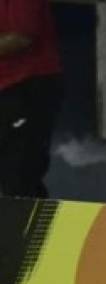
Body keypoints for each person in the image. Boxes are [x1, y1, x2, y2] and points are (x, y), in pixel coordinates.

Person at [0, 0, 62, 197]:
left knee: (19, 181)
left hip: (26, 86)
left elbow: (21, 37)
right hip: (9, 87)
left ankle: (28, 226)